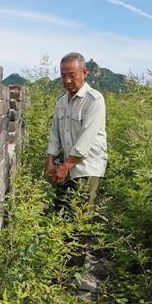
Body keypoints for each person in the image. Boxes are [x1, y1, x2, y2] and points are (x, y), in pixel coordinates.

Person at [45, 52, 107, 211]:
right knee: (61, 214)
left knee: (80, 217)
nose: (67, 81)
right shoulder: (61, 102)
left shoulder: (94, 100)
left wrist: (65, 167)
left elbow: (85, 140)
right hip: (65, 168)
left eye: (72, 75)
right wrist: (50, 161)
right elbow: (55, 134)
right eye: (63, 76)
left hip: (86, 169)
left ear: (85, 73)